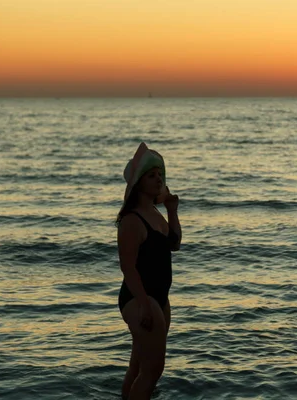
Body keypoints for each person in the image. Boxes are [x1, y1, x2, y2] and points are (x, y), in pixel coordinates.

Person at [116, 142, 182, 400]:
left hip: (159, 298)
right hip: (138, 298)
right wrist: (144, 304)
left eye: (160, 175)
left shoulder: (155, 213)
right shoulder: (132, 220)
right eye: (152, 175)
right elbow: (128, 268)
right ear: (138, 183)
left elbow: (174, 244)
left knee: (140, 365)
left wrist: (172, 210)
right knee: (153, 370)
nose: (158, 180)